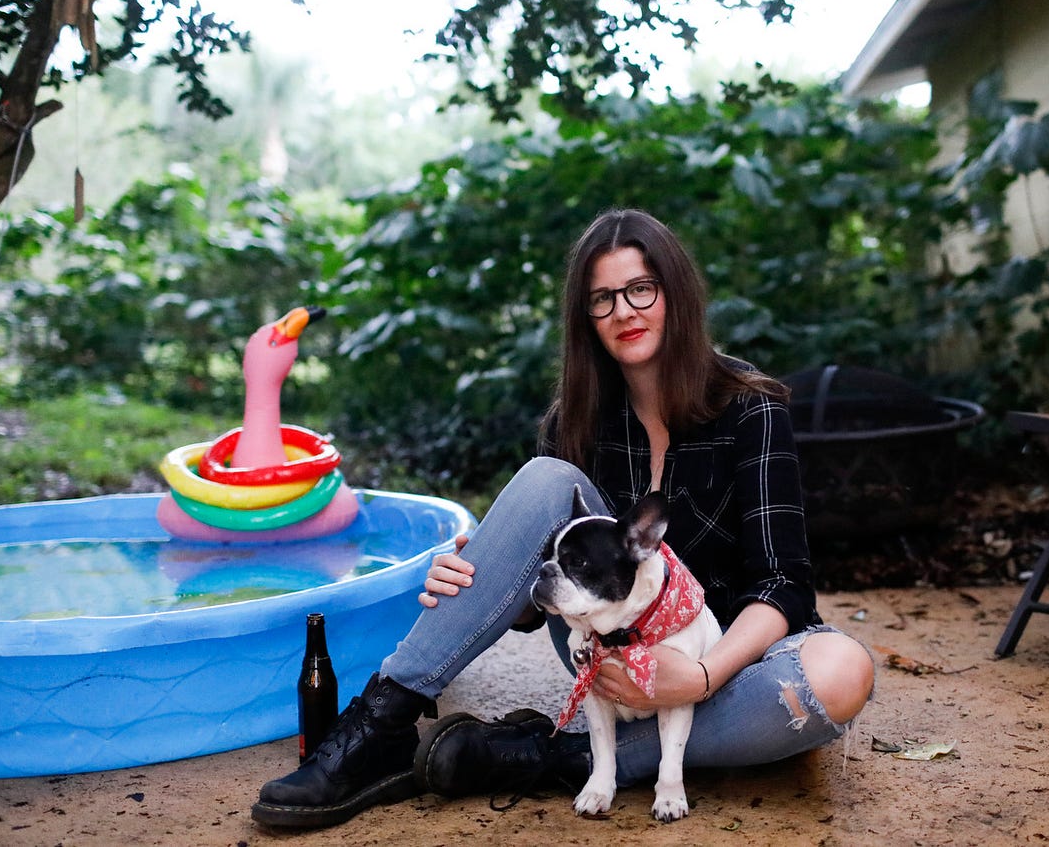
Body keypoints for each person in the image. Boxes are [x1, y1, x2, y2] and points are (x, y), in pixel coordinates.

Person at [252, 208, 875, 829]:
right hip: (612, 646)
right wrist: (486, 579)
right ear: (586, 319)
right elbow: (543, 602)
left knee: (841, 672)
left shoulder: (751, 410)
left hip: (727, 659)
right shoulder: (575, 420)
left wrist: (700, 677)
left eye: (640, 289)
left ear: (675, 295)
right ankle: (382, 725)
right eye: (602, 299)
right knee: (547, 480)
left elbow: (783, 584)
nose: (624, 312)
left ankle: (552, 757)